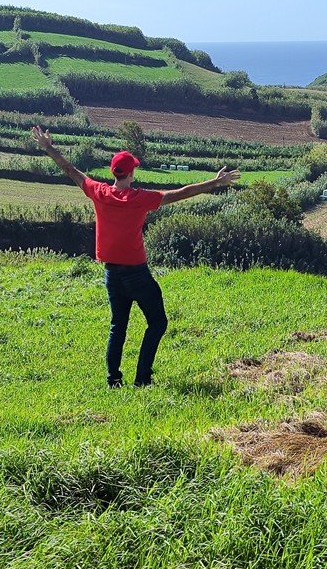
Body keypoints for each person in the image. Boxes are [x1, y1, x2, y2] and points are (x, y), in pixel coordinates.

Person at [31, 125, 240, 387]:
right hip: (137, 274)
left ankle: (114, 379)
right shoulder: (140, 198)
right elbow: (182, 192)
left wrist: (48, 147)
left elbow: (71, 171)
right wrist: (215, 182)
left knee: (118, 325)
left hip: (111, 273)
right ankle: (142, 379)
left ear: (113, 172)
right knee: (158, 323)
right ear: (131, 172)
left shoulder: (99, 192)